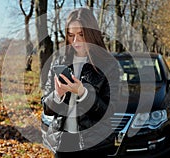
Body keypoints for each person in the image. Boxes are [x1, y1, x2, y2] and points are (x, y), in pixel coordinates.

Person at [41, 7, 121, 158]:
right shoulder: (59, 61)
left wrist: (83, 93)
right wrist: (57, 95)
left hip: (95, 144)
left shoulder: (109, 65)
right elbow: (46, 108)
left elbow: (109, 111)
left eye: (81, 35)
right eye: (71, 35)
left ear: (91, 34)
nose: (75, 41)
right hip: (63, 142)